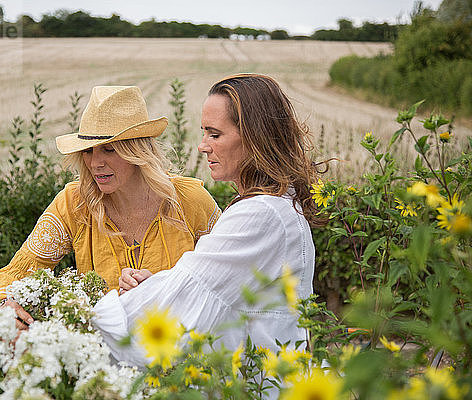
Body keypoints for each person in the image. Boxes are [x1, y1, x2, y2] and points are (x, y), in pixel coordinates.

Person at [92, 74, 323, 376]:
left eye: (214, 135)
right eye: (204, 133)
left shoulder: (260, 214)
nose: (202, 146)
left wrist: (80, 323)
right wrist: (162, 284)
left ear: (255, 137)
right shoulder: (270, 205)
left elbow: (186, 300)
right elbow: (209, 289)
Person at [0, 86, 221, 329]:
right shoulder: (75, 203)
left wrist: (162, 288)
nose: (95, 163)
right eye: (88, 151)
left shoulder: (189, 200)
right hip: (100, 358)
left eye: (109, 150)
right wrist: (4, 302)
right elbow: (14, 272)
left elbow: (231, 281)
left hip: (184, 353)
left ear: (137, 151)